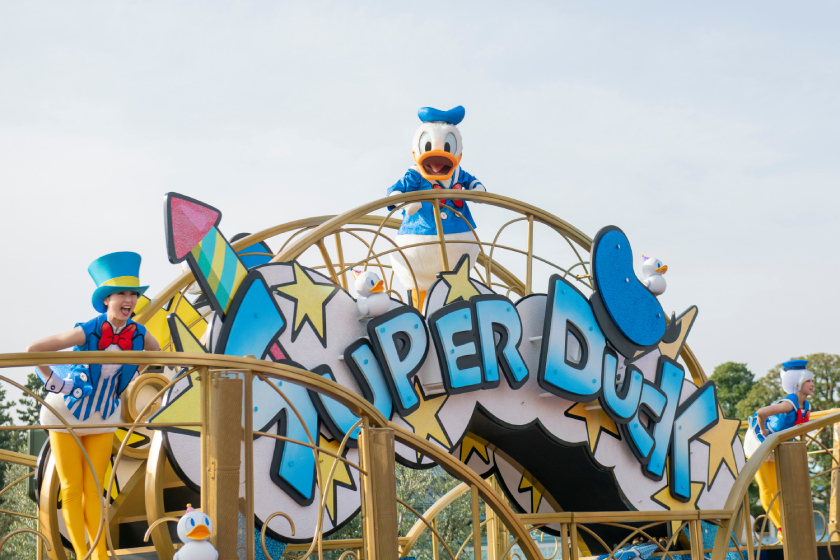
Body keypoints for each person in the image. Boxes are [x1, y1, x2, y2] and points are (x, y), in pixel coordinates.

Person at [26, 252, 159, 560]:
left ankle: (99, 554)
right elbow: (34, 350)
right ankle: (83, 554)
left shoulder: (139, 334)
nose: (129, 300)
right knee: (72, 487)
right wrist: (56, 382)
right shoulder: (89, 329)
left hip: (104, 417)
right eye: (122, 293)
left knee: (95, 488)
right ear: (106, 299)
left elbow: (157, 352)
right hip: (67, 414)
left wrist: (134, 373)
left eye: (133, 294)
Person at [745, 359, 815, 538]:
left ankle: (789, 526)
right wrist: (763, 431)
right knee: (767, 488)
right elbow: (761, 413)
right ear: (798, 383)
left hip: (778, 445)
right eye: (808, 381)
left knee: (780, 487)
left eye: (812, 380)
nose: (812, 384)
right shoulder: (789, 403)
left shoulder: (806, 405)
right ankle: (782, 528)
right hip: (761, 443)